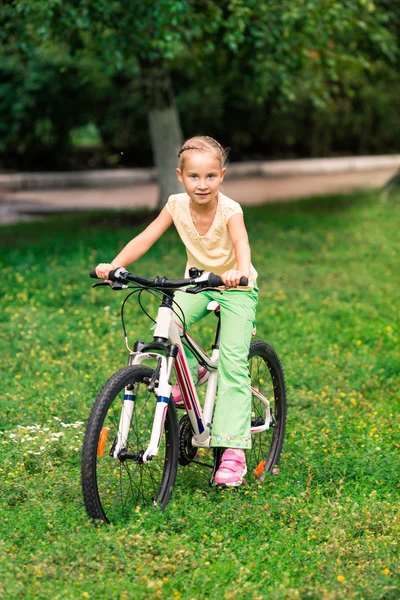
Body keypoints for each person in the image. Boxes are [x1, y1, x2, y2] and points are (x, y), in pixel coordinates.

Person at [95, 135, 258, 487]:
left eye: (211, 176)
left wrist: (239, 272)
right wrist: (115, 265)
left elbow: (241, 242)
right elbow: (146, 236)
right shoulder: (175, 205)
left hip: (235, 287)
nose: (202, 184)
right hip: (197, 284)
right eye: (194, 177)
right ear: (180, 177)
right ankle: (189, 374)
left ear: (222, 176)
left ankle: (233, 453)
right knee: (166, 324)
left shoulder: (230, 210)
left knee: (232, 362)